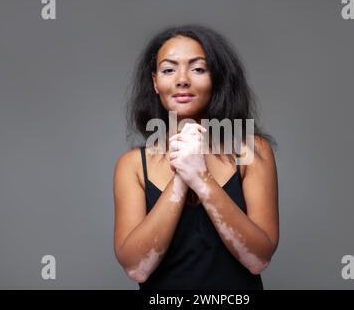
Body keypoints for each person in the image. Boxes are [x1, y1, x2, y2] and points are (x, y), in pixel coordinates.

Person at [113, 24, 279, 290]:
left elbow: (258, 260)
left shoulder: (251, 152)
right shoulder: (132, 166)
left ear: (217, 78)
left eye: (198, 68)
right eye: (169, 69)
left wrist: (201, 178)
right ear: (155, 82)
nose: (182, 79)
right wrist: (182, 174)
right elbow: (137, 268)